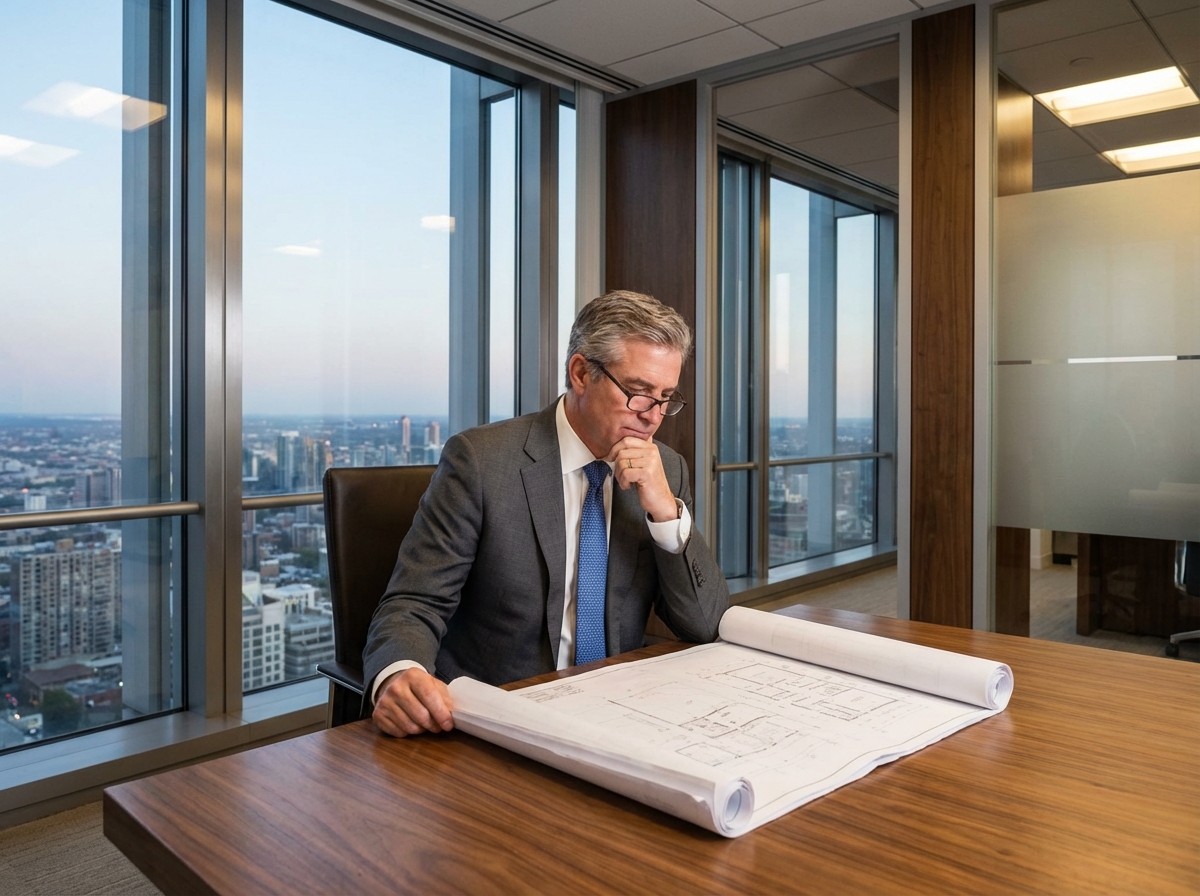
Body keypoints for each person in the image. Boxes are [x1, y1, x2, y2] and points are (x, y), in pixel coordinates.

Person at [364, 290, 730, 737]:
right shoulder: (481, 461)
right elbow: (415, 602)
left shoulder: (665, 468)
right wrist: (399, 674)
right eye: (637, 393)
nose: (653, 417)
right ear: (581, 373)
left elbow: (706, 624)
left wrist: (664, 511)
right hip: (500, 717)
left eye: (665, 398)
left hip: (617, 717)